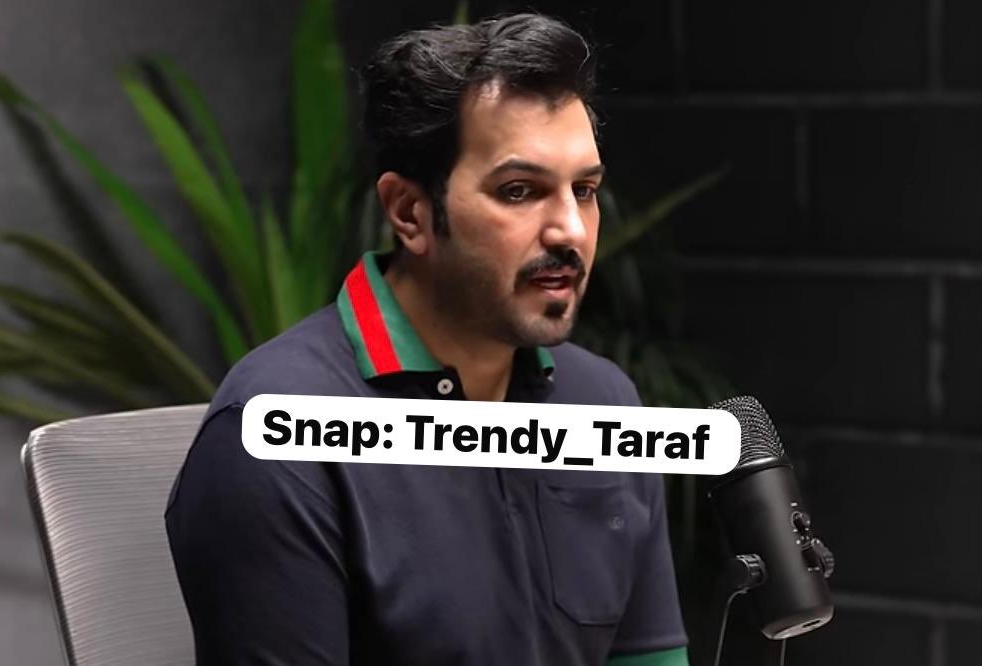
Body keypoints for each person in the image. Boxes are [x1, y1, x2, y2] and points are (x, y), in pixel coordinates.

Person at [165, 12, 689, 666]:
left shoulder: (604, 403)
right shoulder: (277, 432)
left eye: (583, 190)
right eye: (519, 191)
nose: (570, 230)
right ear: (410, 213)